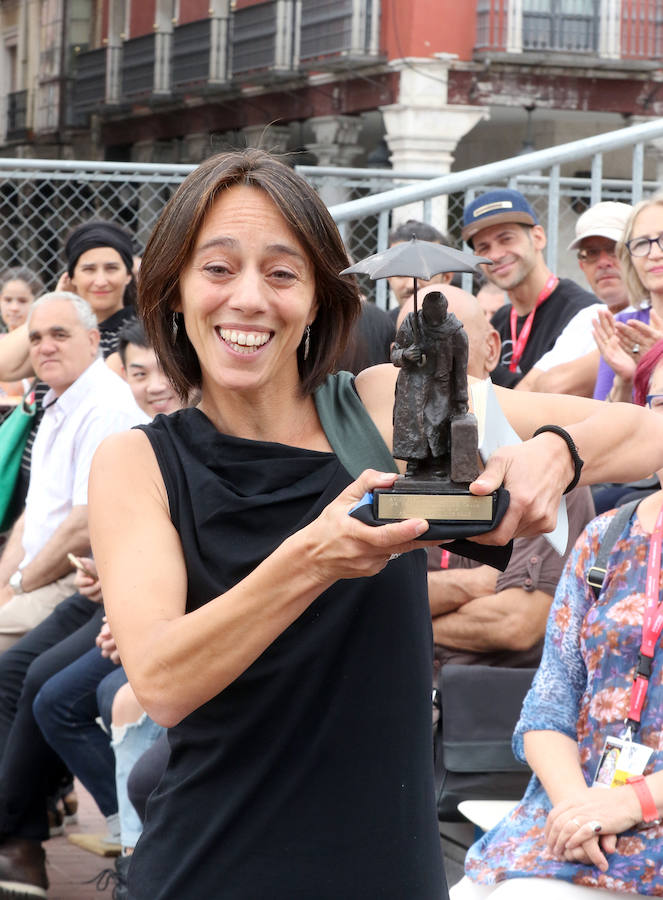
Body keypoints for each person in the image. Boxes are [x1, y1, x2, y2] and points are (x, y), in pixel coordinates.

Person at [87, 149, 663, 900]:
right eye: (218, 268)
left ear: (321, 299)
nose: (250, 299)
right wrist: (314, 560)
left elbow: (644, 434)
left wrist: (559, 451)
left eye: (283, 272)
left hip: (386, 861)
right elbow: (162, 683)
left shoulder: (382, 407)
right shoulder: (138, 463)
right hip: (213, 861)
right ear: (173, 291)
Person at [451, 340, 663, 900]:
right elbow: (550, 700)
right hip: (570, 818)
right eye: (660, 403)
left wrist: (626, 803)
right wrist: (575, 804)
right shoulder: (606, 537)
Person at [0, 320, 180, 898]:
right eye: (138, 371)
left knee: (57, 693)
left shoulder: (123, 416)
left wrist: (125, 604)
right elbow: (49, 516)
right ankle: (33, 836)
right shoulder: (63, 408)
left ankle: (135, 840)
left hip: (140, 609)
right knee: (26, 677)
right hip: (107, 596)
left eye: (60, 335)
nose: (153, 384)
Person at [400, 286, 595, 667]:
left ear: (492, 349)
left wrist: (398, 619)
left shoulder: (542, 465)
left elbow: (514, 623)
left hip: (487, 711)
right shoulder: (382, 464)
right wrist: (474, 585)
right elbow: (357, 596)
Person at [0, 292, 148, 651]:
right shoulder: (56, 400)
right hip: (38, 575)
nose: (45, 347)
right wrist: (5, 584)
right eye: (35, 338)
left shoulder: (106, 407)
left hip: (73, 578)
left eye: (59, 335)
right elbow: (31, 517)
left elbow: (82, 528)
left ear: (93, 339)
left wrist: (17, 586)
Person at [0, 221, 138, 520]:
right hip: (34, 478)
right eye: (88, 269)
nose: (101, 280)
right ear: (71, 276)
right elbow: (4, 364)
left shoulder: (136, 334)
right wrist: (54, 303)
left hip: (77, 485)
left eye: (112, 268)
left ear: (129, 274)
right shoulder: (55, 330)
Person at [462, 188, 596, 388]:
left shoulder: (583, 313)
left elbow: (537, 396)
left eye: (506, 239)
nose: (496, 255)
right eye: (483, 247)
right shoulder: (499, 319)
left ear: (538, 237)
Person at [516, 201, 632, 397]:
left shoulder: (652, 313)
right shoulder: (587, 316)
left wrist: (547, 383)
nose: (603, 262)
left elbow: (556, 388)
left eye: (614, 249)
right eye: (592, 253)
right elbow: (526, 391)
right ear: (582, 265)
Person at [391, 290, 470, 479]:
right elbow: (395, 354)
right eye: (430, 315)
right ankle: (413, 461)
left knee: (436, 423)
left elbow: (460, 372)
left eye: (438, 315)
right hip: (412, 386)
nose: (434, 321)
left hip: (439, 388)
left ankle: (438, 460)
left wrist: (461, 400)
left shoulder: (456, 333)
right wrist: (406, 354)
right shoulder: (411, 324)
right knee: (412, 424)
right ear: (424, 310)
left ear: (445, 311)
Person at [593, 192, 663, 402]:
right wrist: (624, 381)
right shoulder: (624, 327)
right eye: (641, 244)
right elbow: (604, 428)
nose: (654, 253)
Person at [387, 219, 455, 321]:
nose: (411, 285)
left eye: (423, 272)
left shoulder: (464, 326)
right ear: (389, 278)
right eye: (401, 272)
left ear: (446, 277)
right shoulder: (380, 331)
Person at [0, 268, 44, 406]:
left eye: (22, 301)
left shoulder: (42, 344)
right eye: (8, 300)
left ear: (36, 302)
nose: (14, 308)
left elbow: (16, 391)